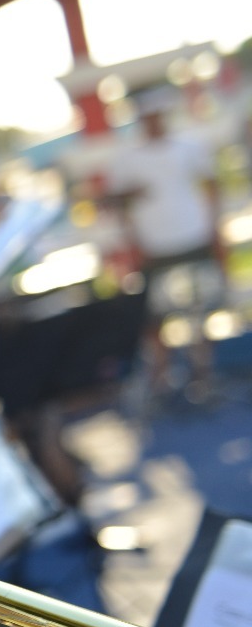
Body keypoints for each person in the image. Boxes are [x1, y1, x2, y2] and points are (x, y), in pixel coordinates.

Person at [103, 86, 225, 401]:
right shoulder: (126, 159)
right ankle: (163, 374)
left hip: (193, 236)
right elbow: (116, 202)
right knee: (153, 315)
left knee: (201, 307)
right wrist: (132, 241)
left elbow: (211, 186)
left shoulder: (189, 146)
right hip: (154, 246)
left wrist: (214, 229)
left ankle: (203, 372)